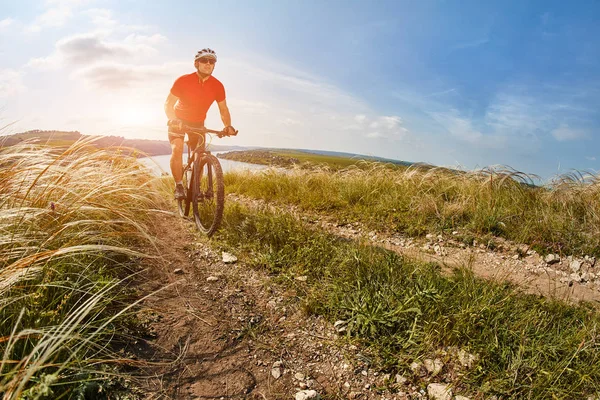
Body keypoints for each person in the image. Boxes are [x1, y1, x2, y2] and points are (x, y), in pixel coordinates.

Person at [164, 48, 237, 199]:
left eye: (212, 61)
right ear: (196, 63)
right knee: (177, 148)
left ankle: (195, 188)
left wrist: (228, 126)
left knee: (200, 156)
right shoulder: (183, 80)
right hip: (178, 120)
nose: (208, 64)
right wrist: (173, 119)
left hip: (198, 122)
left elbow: (223, 109)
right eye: (204, 60)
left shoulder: (218, 85)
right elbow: (168, 103)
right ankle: (179, 186)